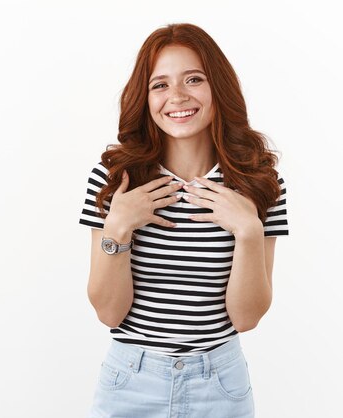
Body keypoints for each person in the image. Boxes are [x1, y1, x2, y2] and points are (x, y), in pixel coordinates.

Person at [78, 23, 289, 418]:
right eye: (160, 85)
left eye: (193, 79)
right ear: (144, 97)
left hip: (220, 385)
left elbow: (246, 318)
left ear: (218, 88)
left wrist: (248, 232)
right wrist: (118, 228)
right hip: (131, 381)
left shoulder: (258, 181)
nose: (177, 96)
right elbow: (109, 313)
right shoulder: (115, 180)